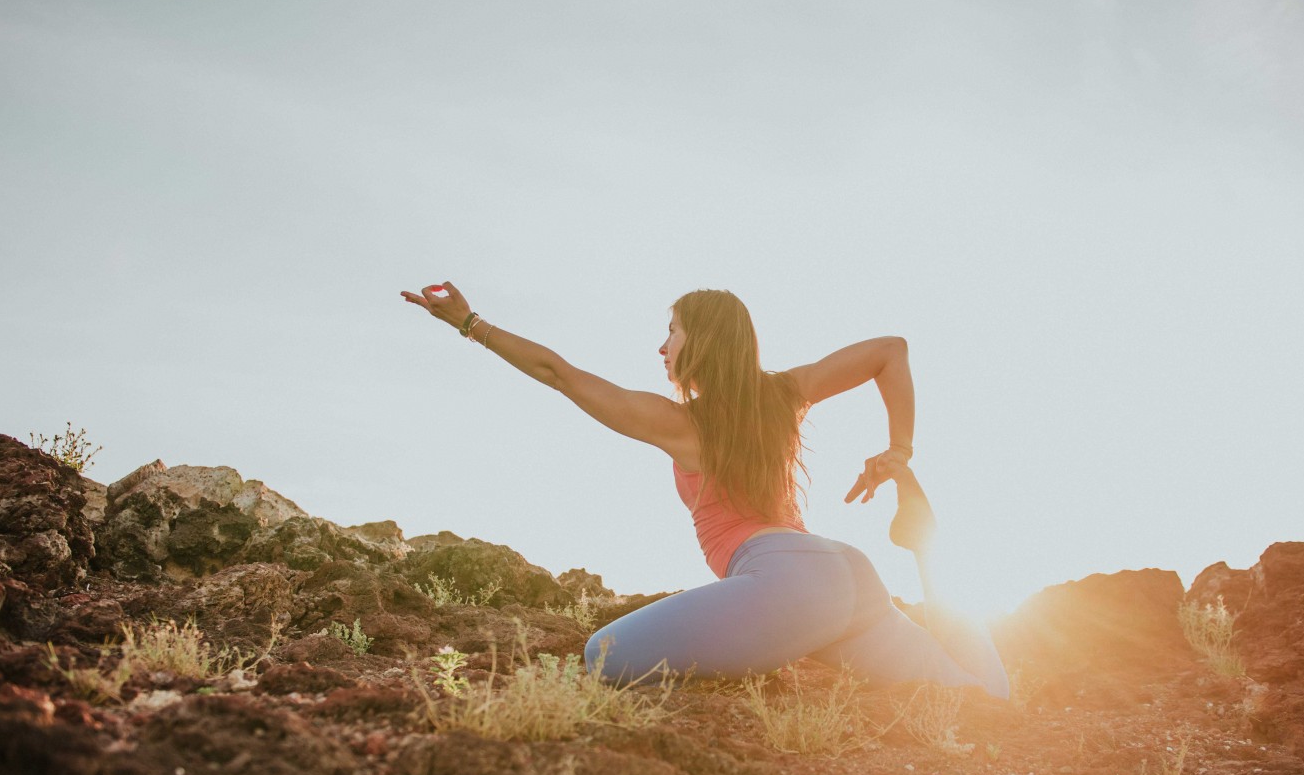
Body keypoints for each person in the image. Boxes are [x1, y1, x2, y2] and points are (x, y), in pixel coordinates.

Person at [400, 282, 1009, 698]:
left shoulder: (682, 424)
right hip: (847, 575)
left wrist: (470, 323)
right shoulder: (785, 396)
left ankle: (920, 553)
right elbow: (889, 352)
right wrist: (899, 451)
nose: (662, 346)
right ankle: (927, 550)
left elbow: (559, 373)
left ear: (705, 341)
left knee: (603, 656)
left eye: (672, 331)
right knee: (979, 695)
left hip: (787, 580)